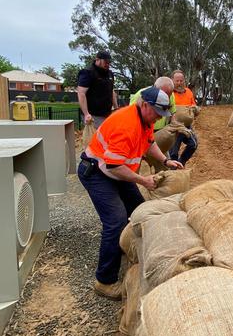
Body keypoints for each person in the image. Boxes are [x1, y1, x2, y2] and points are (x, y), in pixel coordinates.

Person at [78, 87, 183, 299]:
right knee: (115, 221)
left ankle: (129, 250)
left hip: (115, 172)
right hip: (98, 173)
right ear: (145, 105)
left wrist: (165, 160)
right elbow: (113, 166)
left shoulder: (145, 120)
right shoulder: (126, 124)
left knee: (139, 209)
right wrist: (143, 180)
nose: (158, 118)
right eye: (156, 113)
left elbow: (149, 144)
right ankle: (104, 281)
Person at [77, 50, 118, 129]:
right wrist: (86, 114)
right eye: (105, 62)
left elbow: (111, 91)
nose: (108, 64)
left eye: (109, 62)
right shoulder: (87, 73)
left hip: (107, 113)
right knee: (97, 138)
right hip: (93, 115)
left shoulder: (110, 74)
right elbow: (81, 93)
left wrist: (116, 108)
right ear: (97, 59)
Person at [168, 70, 198, 166]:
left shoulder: (188, 92)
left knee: (193, 145)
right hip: (174, 126)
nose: (179, 83)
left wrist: (195, 109)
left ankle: (181, 163)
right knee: (173, 152)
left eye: (181, 81)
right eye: (177, 81)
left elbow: (193, 105)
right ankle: (172, 172)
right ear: (172, 80)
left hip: (186, 126)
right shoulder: (169, 93)